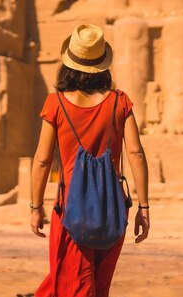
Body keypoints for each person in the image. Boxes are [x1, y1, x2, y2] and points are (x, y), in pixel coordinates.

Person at [31, 24, 150, 297]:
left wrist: (35, 206)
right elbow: (136, 154)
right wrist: (144, 207)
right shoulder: (120, 102)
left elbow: (42, 160)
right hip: (113, 209)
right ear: (103, 65)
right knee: (97, 287)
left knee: (72, 286)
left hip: (70, 210)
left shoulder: (55, 103)